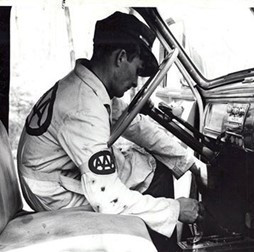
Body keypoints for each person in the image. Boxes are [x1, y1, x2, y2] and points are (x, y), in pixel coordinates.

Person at [17, 11, 207, 251]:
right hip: (53, 194)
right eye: (137, 71)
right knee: (152, 179)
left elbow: (136, 125)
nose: (137, 83)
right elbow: (109, 199)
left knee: (153, 166)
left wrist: (190, 163)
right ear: (121, 57)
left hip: (58, 174)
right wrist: (175, 209)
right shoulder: (82, 107)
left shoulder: (91, 85)